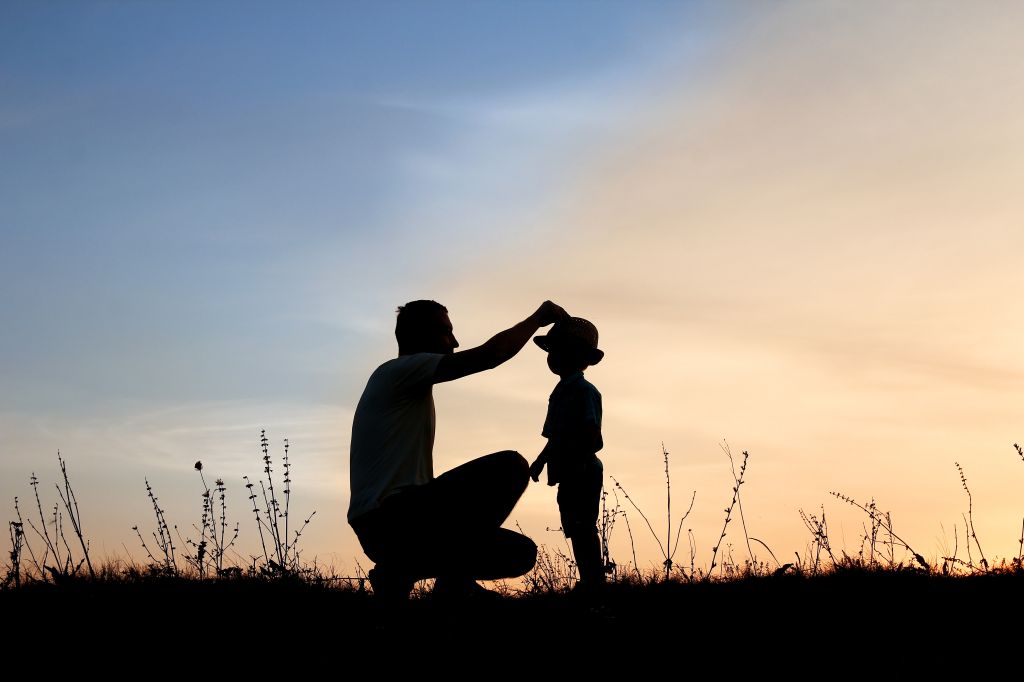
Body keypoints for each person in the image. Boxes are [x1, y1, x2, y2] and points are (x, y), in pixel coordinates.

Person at [348, 299, 569, 600]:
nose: (454, 342)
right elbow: (492, 355)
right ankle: (447, 582)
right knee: (511, 467)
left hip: (396, 524)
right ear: (417, 334)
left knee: (520, 553)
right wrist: (538, 318)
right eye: (445, 332)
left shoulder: (404, 384)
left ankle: (408, 575)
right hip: (390, 520)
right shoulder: (400, 371)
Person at [529, 316, 605, 590]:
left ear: (580, 358)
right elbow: (555, 435)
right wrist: (540, 461)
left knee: (583, 526)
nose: (553, 357)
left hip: (582, 469)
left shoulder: (584, 392)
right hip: (568, 470)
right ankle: (589, 581)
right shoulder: (561, 392)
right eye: (552, 351)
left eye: (559, 351)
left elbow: (590, 433)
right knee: (574, 526)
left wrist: (580, 460)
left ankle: (593, 583)